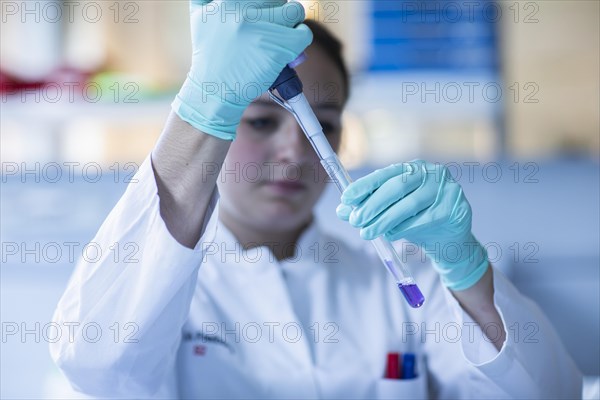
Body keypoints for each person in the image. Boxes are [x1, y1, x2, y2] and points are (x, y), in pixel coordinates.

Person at [50, 1, 582, 398]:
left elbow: (549, 392)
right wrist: (203, 100)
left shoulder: (403, 279)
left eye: (323, 126)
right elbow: (95, 365)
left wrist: (468, 271)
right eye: (259, 120)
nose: (296, 150)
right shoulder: (162, 288)